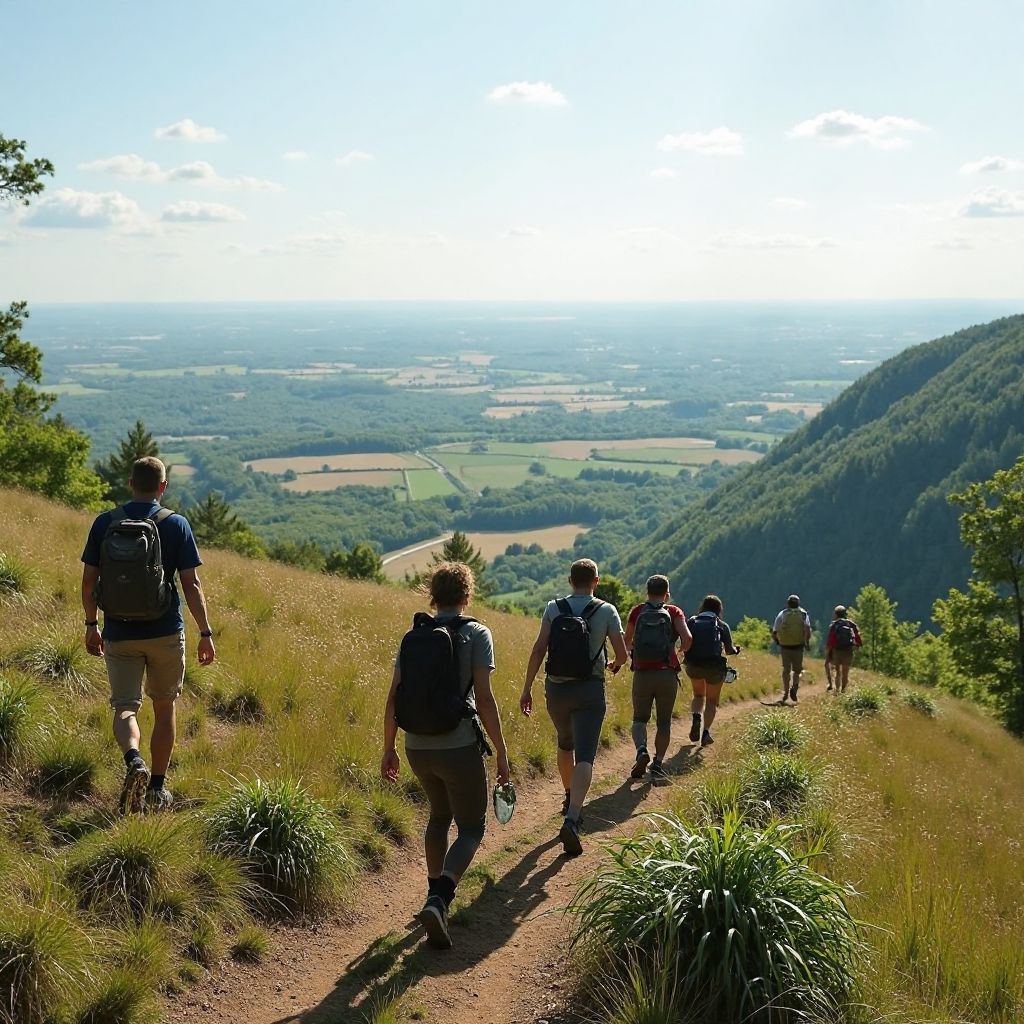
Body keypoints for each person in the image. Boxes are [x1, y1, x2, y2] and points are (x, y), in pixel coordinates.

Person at [381, 561, 510, 951]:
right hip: (458, 745)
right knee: (472, 829)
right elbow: (484, 701)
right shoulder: (477, 633)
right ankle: (439, 900)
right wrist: (502, 753)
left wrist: (388, 748)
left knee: (438, 818)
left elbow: (393, 699)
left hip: (417, 745)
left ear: (432, 595)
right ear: (468, 594)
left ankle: (431, 894)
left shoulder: (413, 635)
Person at [81, 456, 215, 815]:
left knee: (125, 707)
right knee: (164, 706)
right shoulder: (176, 524)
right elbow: (191, 583)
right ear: (163, 486)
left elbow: (88, 581)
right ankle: (157, 789)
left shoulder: (104, 523)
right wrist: (205, 632)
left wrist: (92, 625)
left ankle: (133, 761)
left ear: (130, 483)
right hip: (165, 632)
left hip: (120, 632)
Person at [520, 558, 627, 857]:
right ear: (596, 581)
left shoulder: (553, 608)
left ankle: (568, 797)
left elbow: (539, 648)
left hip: (556, 688)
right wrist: (615, 664)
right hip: (590, 690)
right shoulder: (606, 610)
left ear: (570, 580)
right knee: (586, 755)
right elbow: (621, 654)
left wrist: (527, 688)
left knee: (564, 744)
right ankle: (573, 817)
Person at [623, 575, 692, 782]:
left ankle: (641, 750)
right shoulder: (673, 611)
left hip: (643, 673)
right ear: (667, 593)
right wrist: (678, 653)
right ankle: (658, 762)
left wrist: (634, 654)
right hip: (666, 673)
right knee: (664, 722)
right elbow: (688, 639)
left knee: (639, 719)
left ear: (647, 591)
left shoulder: (637, 611)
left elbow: (626, 641)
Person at [683, 595, 741, 747]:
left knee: (698, 695)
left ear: (702, 607)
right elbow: (729, 650)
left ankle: (696, 717)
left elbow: (686, 641)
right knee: (711, 701)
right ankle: (706, 732)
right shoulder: (722, 625)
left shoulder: (692, 621)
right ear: (719, 609)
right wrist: (736, 650)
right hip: (714, 668)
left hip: (694, 665)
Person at [771, 594, 812, 703]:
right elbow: (807, 628)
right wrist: (806, 642)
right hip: (798, 646)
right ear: (798, 603)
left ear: (788, 603)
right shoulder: (803, 614)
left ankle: (785, 693)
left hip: (785, 646)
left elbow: (774, 631)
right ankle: (794, 688)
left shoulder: (782, 614)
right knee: (797, 670)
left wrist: (778, 641)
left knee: (786, 670)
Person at [825, 605, 862, 694]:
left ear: (836, 614)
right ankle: (843, 690)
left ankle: (837, 690)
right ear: (845, 614)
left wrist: (828, 651)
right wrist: (857, 646)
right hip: (848, 650)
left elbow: (830, 640)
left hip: (837, 650)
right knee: (845, 672)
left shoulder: (834, 625)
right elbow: (857, 637)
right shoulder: (851, 624)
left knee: (838, 671)